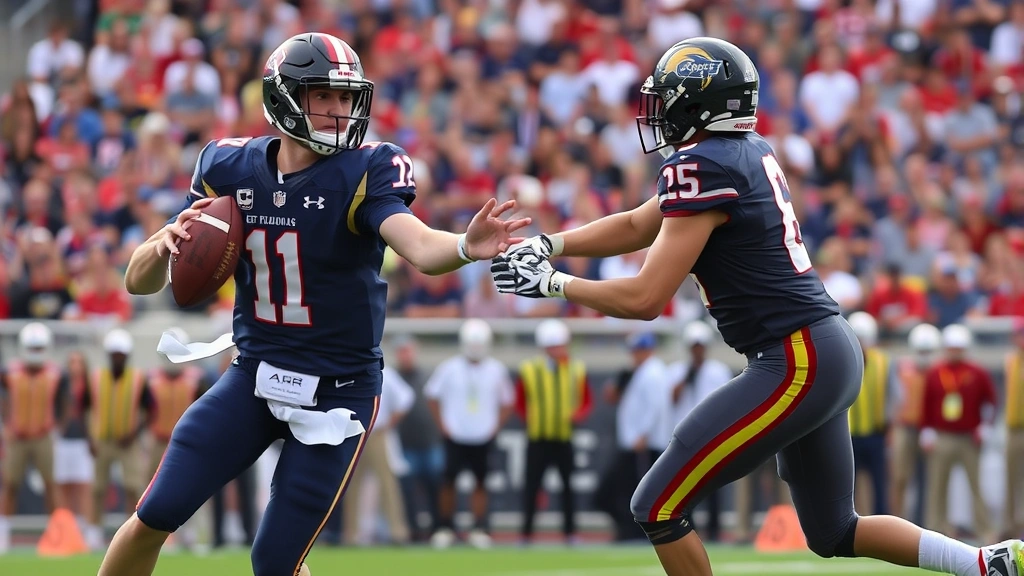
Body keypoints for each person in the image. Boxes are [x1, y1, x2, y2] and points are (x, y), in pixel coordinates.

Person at [491, 36, 1023, 576]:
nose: (658, 111)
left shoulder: (701, 166)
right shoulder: (746, 152)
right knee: (836, 530)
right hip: (824, 347)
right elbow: (635, 223)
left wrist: (554, 284)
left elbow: (645, 297)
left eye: (669, 97)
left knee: (656, 504)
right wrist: (551, 244)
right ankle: (985, 563)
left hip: (796, 356)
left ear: (700, 100)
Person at [97, 32, 528, 576]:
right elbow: (138, 281)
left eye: (346, 98)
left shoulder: (366, 169)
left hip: (338, 390)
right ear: (283, 98)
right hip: (253, 374)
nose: (338, 109)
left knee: (275, 561)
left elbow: (418, 244)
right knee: (155, 513)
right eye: (323, 95)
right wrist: (163, 243)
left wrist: (466, 246)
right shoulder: (227, 166)